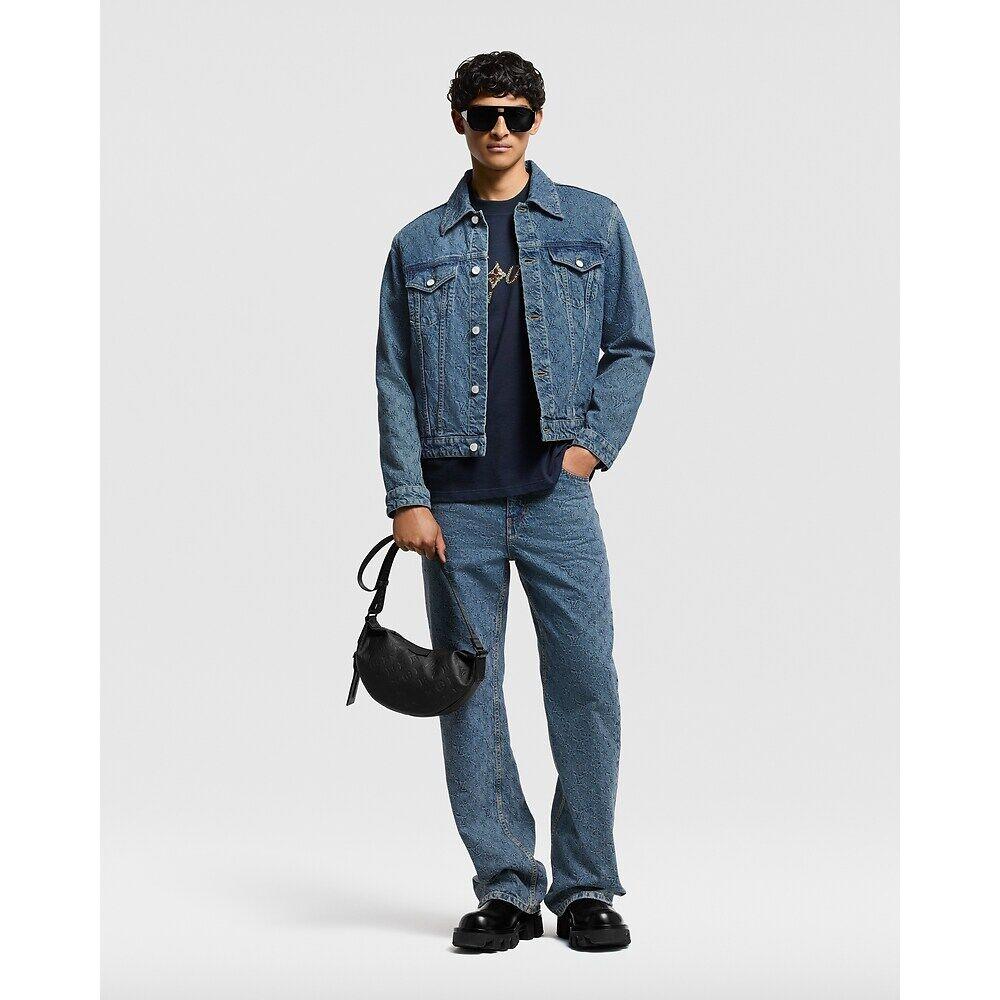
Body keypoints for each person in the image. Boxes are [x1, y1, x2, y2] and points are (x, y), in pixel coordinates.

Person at [374, 50, 654, 951]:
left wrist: (588, 450)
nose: (501, 128)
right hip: (452, 509)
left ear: (537, 119)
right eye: (485, 113)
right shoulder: (417, 243)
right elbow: (394, 378)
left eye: (517, 114)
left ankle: (586, 887)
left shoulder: (593, 222)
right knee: (470, 696)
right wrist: (407, 496)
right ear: (459, 119)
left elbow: (632, 345)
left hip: (554, 499)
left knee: (586, 685)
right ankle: (505, 888)